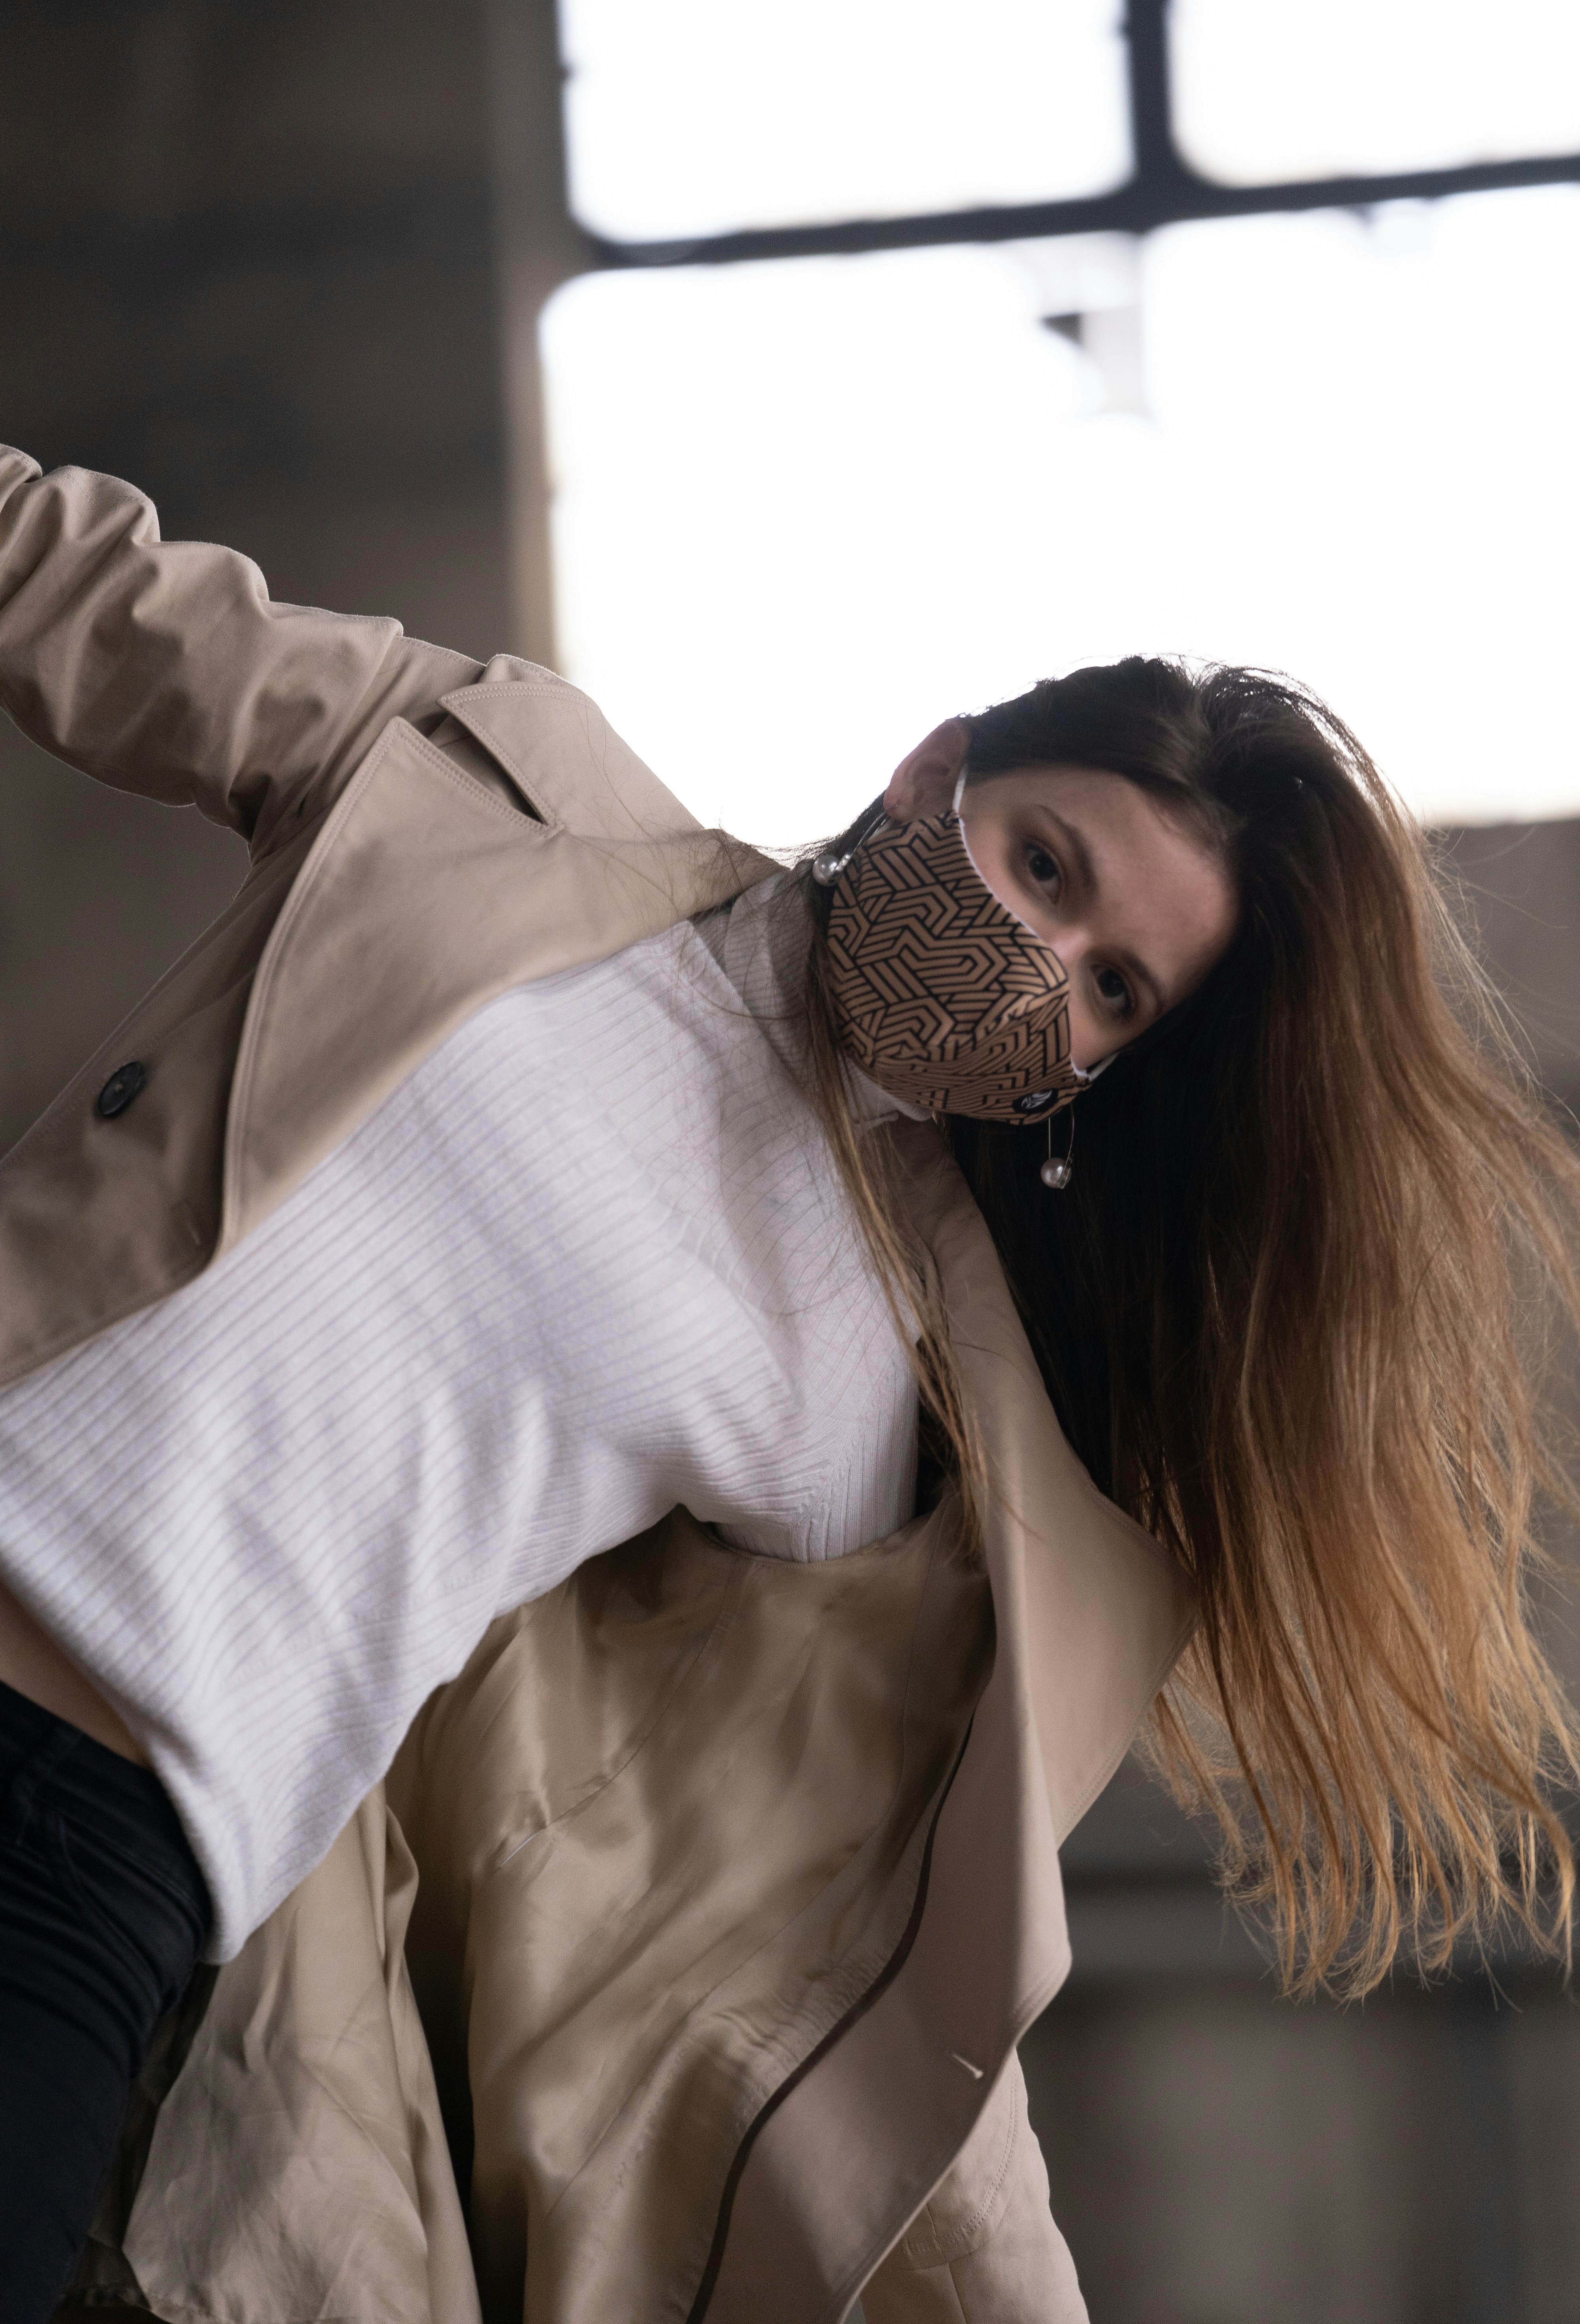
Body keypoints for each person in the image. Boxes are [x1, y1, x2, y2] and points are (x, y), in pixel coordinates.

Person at [0, 445, 1574, 2324]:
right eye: (1043, 866)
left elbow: (841, 1950)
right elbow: (87, 597)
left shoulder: (869, 1393)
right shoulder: (509, 787)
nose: (1036, 962)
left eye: (1110, 989)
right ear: (933, 773)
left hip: (92, 1858)